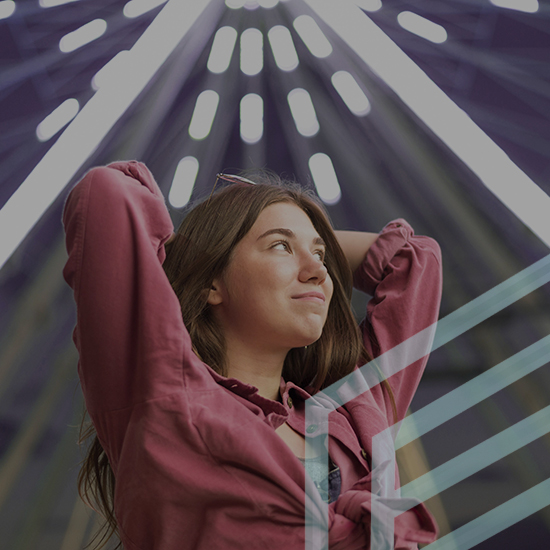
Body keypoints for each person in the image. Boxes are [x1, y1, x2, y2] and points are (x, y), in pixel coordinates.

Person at [62, 160, 442, 550]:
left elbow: (415, 258)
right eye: (280, 246)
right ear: (212, 281)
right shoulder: (162, 393)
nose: (318, 271)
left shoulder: (352, 407)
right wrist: (194, 251)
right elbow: (107, 191)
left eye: (322, 255)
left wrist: (294, 240)